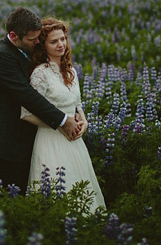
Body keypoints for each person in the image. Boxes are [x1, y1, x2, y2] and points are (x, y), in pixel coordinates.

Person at [0, 7, 82, 195]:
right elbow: (26, 95)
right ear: (13, 35)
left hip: (31, 141)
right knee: (12, 200)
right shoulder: (1, 57)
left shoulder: (24, 52)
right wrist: (62, 120)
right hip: (8, 146)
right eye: (32, 39)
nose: (38, 42)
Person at [21, 17, 106, 213]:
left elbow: (77, 105)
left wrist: (83, 122)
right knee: (56, 195)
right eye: (53, 41)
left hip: (75, 142)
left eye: (63, 39)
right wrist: (59, 125)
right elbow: (25, 114)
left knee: (82, 194)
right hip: (50, 141)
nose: (60, 44)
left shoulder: (71, 71)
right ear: (43, 45)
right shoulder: (40, 74)